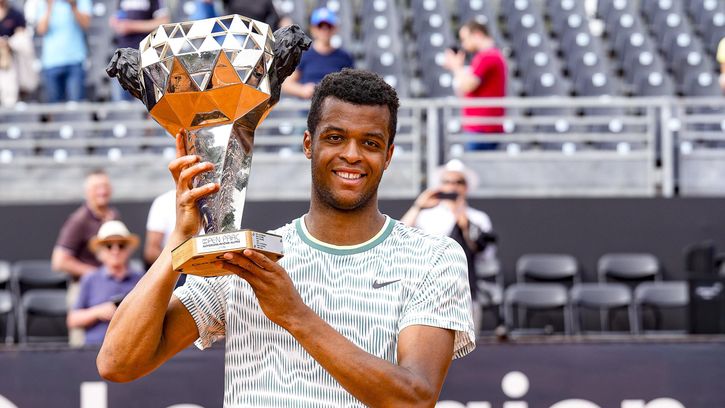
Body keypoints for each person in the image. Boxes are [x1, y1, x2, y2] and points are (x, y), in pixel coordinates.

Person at [98, 69, 475, 406]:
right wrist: (180, 241)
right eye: (335, 137)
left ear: (388, 155)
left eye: (371, 143)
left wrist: (295, 315)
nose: (352, 154)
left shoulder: (432, 257)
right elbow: (117, 362)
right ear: (309, 144)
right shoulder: (248, 260)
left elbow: (415, 398)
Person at [401, 159, 497, 334]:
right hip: (429, 294)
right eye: (447, 182)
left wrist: (465, 225)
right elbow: (399, 238)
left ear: (466, 187)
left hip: (465, 292)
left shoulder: (478, 218)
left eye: (458, 182)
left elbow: (487, 256)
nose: (452, 187)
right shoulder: (427, 216)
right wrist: (418, 206)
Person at [67, 220, 143, 345]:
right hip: (95, 348)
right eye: (109, 246)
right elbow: (73, 319)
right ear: (100, 251)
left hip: (132, 346)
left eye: (121, 245)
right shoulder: (90, 279)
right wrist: (98, 312)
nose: (115, 251)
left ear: (128, 250)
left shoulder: (141, 279)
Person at [443, 20, 506, 150]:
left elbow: (467, 86)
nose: (463, 44)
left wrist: (456, 67)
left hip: (482, 128)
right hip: (481, 127)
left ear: (477, 35)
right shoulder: (487, 56)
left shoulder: (488, 56)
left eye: (465, 39)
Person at [52, 169, 120, 279]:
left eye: (105, 186)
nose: (102, 192)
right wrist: (97, 275)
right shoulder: (79, 220)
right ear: (87, 192)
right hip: (85, 284)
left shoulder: (114, 215)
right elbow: (59, 262)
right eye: (96, 187)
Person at [281, 7, 354, 99]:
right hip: (309, 104)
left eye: (329, 26)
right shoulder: (303, 56)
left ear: (334, 29)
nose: (325, 30)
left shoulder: (344, 57)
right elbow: (286, 84)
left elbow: (353, 84)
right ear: (313, 29)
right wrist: (302, 90)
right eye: (320, 26)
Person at [109, 0, 169, 101]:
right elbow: (118, 16)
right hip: (122, 58)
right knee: (121, 103)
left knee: (146, 101)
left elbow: (163, 22)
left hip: (145, 57)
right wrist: (115, 21)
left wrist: (132, 26)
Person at [34, 0, 91, 103]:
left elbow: (86, 24)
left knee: (76, 106)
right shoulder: (45, 2)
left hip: (75, 59)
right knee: (54, 107)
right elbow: (41, 30)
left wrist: (73, 6)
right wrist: (49, 7)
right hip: (51, 62)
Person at [0, 0, 25, 107]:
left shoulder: (14, 14)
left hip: (8, 61)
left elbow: (22, 37)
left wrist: (7, 43)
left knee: (9, 96)